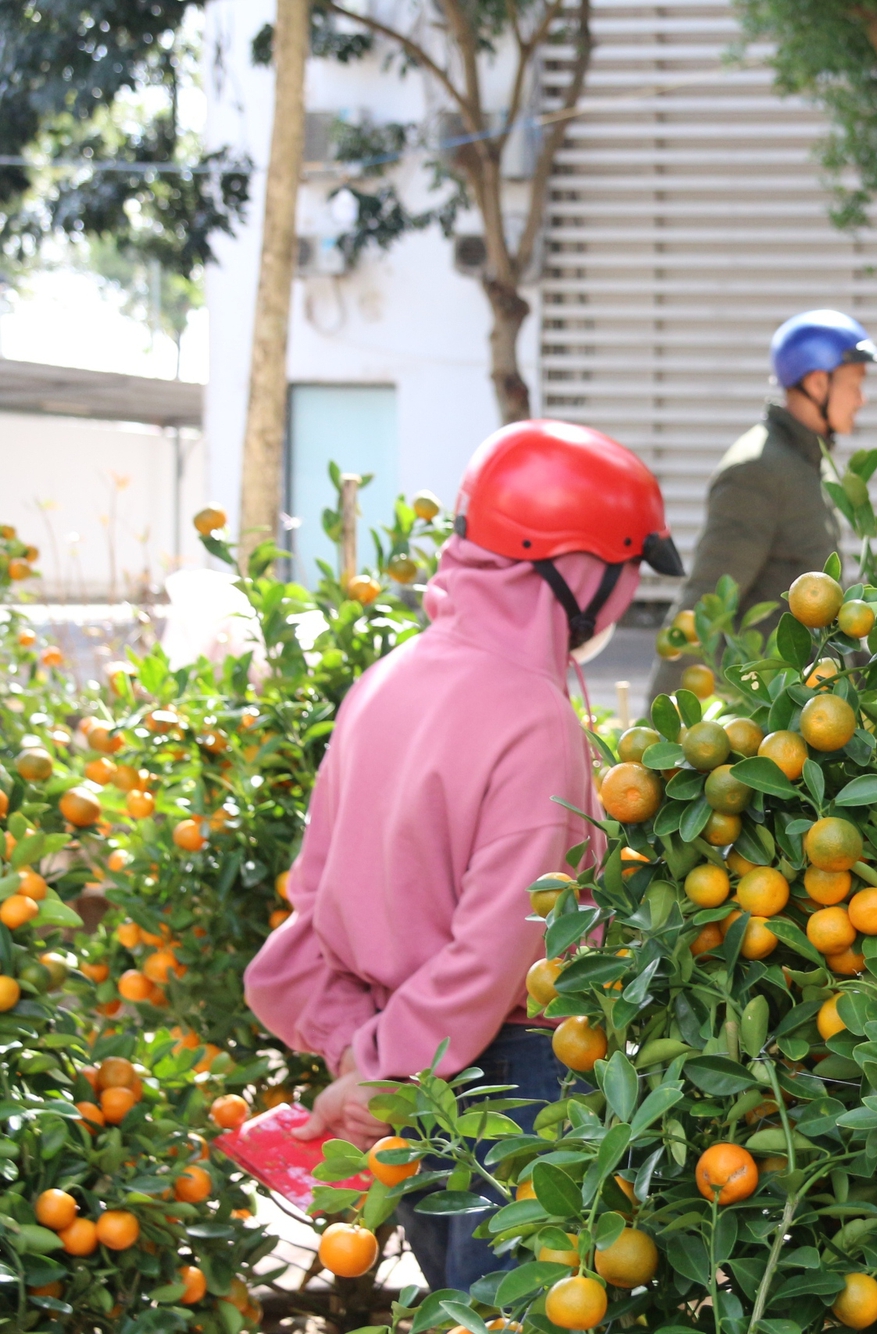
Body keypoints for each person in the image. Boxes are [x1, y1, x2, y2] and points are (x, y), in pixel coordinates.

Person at [243, 419, 683, 1291]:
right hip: (512, 1079)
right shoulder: (532, 715)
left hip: (412, 1071)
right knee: (509, 1308)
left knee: (456, 1304)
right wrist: (382, 1069)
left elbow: (315, 897)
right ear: (575, 568)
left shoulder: (390, 677)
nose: (630, 595)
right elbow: (496, 948)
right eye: (628, 568)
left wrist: (358, 1053)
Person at [648, 308, 877, 698]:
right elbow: (705, 602)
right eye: (855, 383)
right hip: (764, 714)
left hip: (808, 711)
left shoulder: (805, 462)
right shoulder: (758, 470)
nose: (862, 399)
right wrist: (658, 729)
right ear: (817, 382)